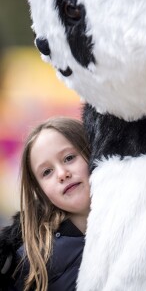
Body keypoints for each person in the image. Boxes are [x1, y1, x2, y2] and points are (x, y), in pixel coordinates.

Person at [0, 117, 91, 291]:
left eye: (69, 158)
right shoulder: (30, 261)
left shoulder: (141, 216)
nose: (62, 174)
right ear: (41, 191)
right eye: (47, 172)